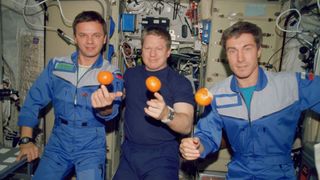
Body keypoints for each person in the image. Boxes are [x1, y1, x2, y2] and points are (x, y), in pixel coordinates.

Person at [179, 21, 320, 179]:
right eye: (232, 51)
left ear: (259, 51)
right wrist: (196, 147)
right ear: (226, 55)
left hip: (279, 173)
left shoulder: (291, 85)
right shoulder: (216, 95)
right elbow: (207, 136)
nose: (240, 58)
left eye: (247, 49)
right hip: (240, 172)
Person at [16, 11, 123, 180]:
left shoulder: (111, 73)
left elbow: (111, 111)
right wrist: (25, 140)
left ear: (104, 39)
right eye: (83, 35)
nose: (89, 41)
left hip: (91, 145)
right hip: (58, 142)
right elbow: (33, 100)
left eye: (96, 35)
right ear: (75, 37)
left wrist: (105, 107)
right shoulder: (57, 66)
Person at [113, 27, 195, 180]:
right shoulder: (130, 75)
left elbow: (186, 125)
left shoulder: (180, 83)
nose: (152, 54)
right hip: (130, 154)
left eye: (159, 48)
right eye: (147, 48)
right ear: (141, 50)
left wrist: (166, 114)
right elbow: (115, 103)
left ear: (168, 52)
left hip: (162, 156)